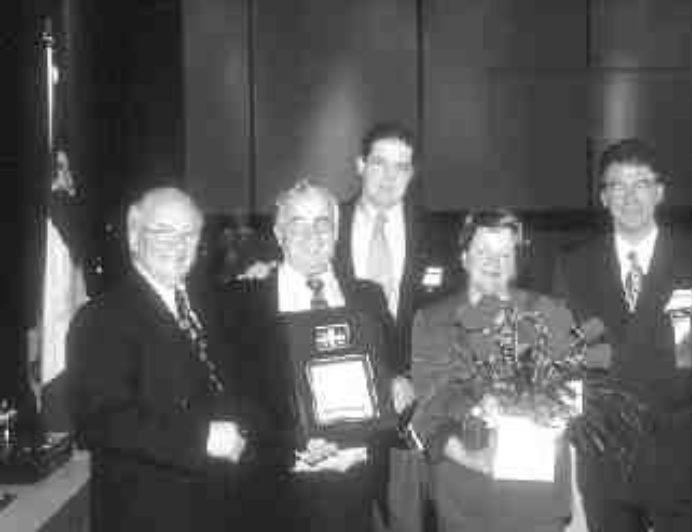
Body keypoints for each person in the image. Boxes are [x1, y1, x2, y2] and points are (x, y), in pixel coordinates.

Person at [553, 138, 692, 532]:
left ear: (660, 192)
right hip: (605, 453)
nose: (630, 196)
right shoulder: (574, 265)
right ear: (603, 197)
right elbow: (563, 357)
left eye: (641, 183)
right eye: (617, 185)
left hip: (681, 450)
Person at [66, 187, 247, 532]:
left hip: (219, 505)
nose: (177, 245)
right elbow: (101, 420)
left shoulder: (209, 305)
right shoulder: (102, 317)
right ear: (134, 236)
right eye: (163, 231)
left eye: (188, 234)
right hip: (149, 514)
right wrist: (200, 439)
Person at [224, 180, 399, 532]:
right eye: (297, 224)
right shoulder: (243, 301)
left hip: (358, 486)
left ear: (336, 232)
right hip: (278, 488)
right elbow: (236, 395)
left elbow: (394, 368)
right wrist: (294, 444)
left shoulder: (368, 297)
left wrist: (400, 383)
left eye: (322, 223)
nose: (311, 235)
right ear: (279, 234)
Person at [410, 209, 584, 532]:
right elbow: (428, 413)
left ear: (517, 262)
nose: (495, 263)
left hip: (539, 497)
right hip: (468, 497)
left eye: (505, 254)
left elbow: (573, 393)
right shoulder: (433, 320)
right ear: (464, 257)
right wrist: (476, 458)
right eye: (483, 252)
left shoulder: (550, 312)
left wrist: (550, 409)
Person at [337, 122, 453, 532]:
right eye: (379, 164)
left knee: (410, 518)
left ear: (412, 173)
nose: (389, 177)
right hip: (345, 400)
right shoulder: (328, 224)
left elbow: (448, 316)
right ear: (359, 165)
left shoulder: (439, 234)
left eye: (401, 167)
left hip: (413, 401)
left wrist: (411, 377)